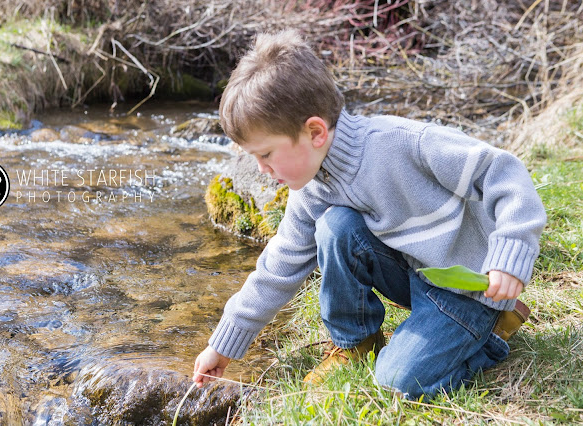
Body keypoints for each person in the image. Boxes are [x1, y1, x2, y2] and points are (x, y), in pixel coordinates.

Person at [192, 29, 546, 399]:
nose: (262, 168)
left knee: (397, 382)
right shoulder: (315, 185)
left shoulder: (401, 143)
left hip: (468, 289)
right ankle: (358, 343)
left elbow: (502, 172)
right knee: (334, 227)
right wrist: (224, 344)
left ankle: (489, 336)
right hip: (418, 275)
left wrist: (509, 255)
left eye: (265, 154)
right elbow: (279, 265)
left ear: (315, 131)